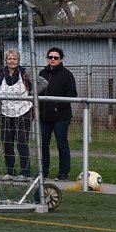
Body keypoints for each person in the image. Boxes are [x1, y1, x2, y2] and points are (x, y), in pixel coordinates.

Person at [0, 49, 33, 181]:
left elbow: (42, 83)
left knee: (22, 144)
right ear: (6, 60)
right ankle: (10, 172)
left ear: (18, 60)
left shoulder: (25, 73)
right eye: (9, 58)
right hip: (5, 113)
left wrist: (31, 95)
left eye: (14, 59)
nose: (12, 61)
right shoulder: (0, 74)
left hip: (23, 113)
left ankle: (25, 173)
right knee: (7, 143)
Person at [39, 47, 77, 181]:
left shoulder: (67, 75)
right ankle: (43, 172)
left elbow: (72, 93)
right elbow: (37, 91)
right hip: (44, 117)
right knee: (43, 144)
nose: (53, 60)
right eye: (50, 57)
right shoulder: (42, 73)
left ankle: (63, 173)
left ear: (60, 59)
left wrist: (58, 106)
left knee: (62, 144)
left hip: (61, 117)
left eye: (55, 57)